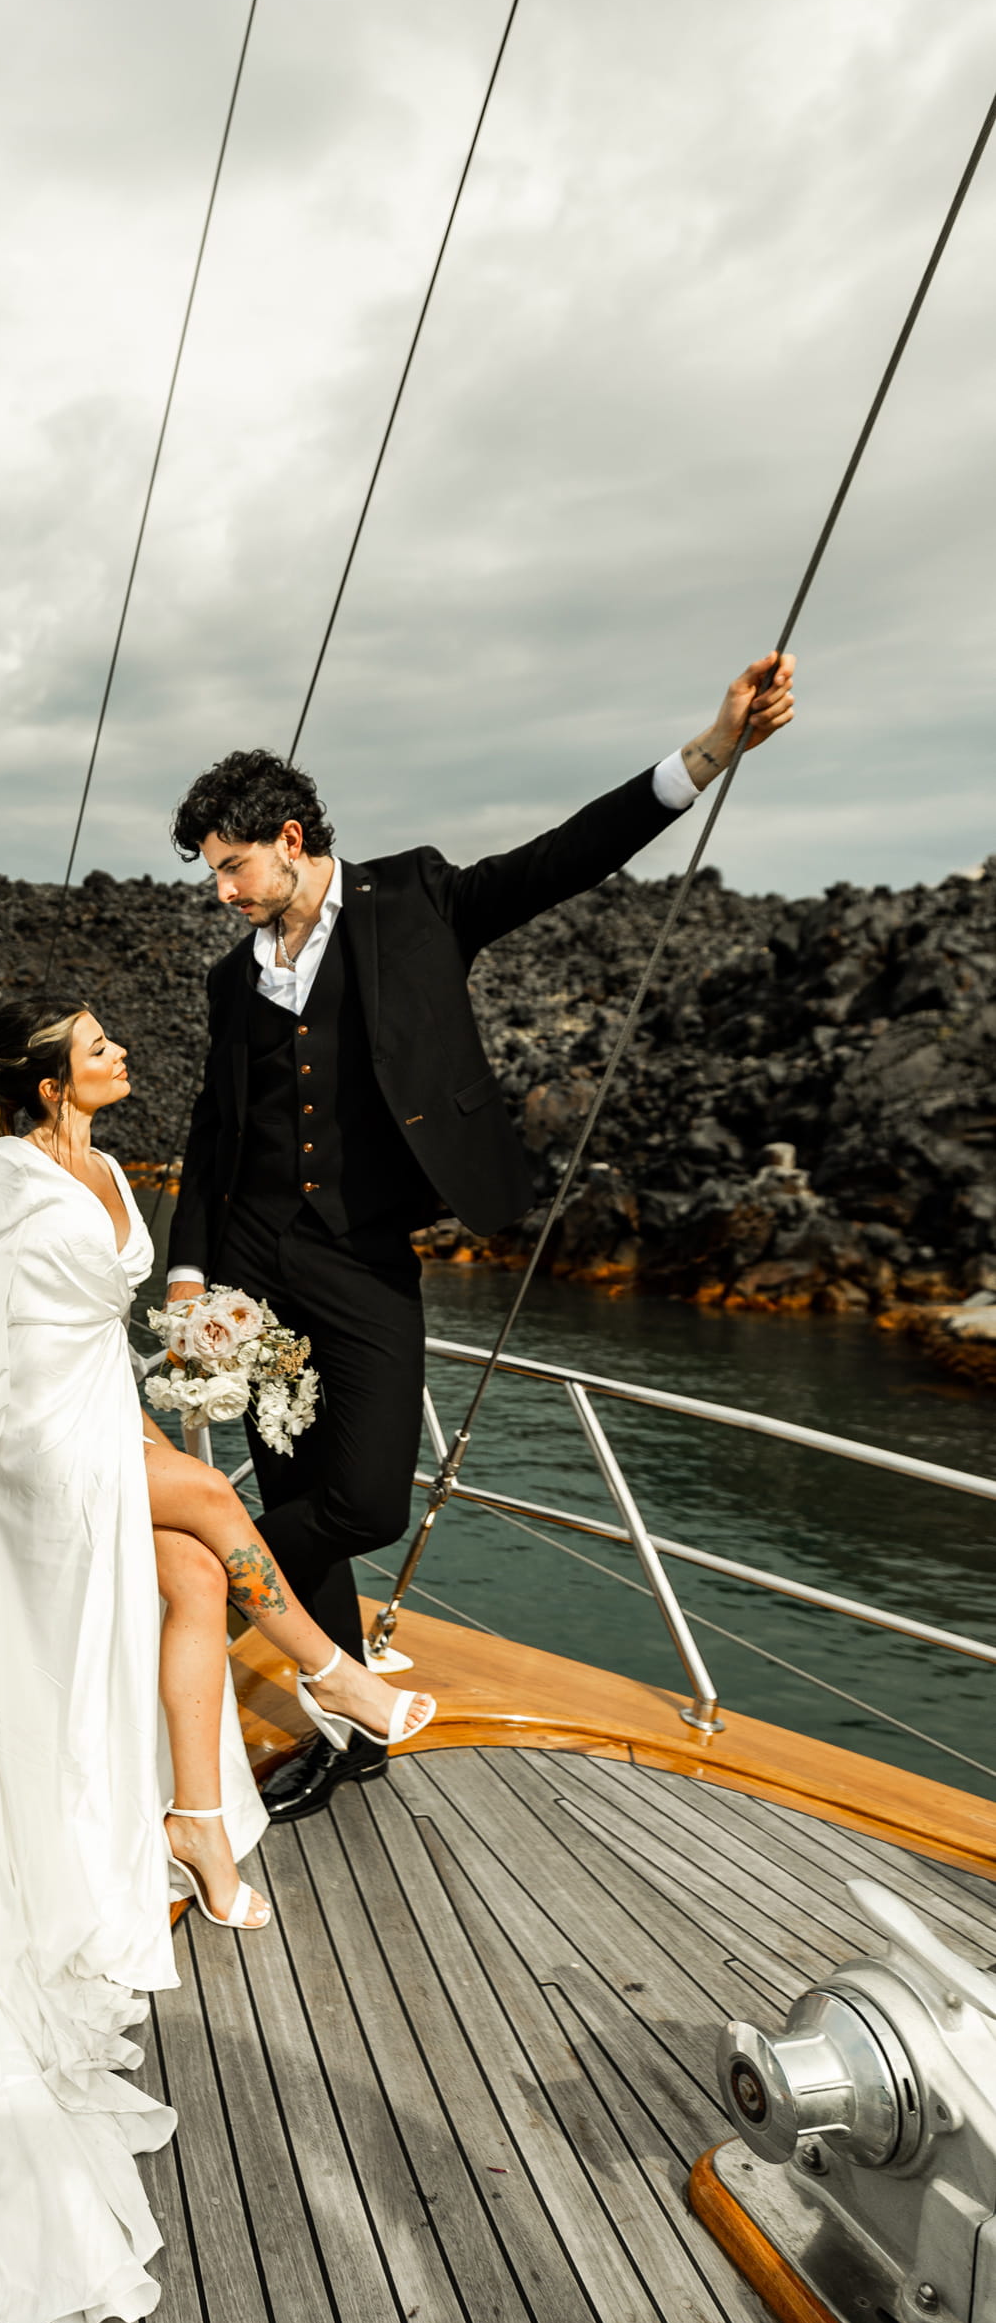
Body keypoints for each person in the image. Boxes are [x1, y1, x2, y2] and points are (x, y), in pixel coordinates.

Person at [0, 999, 429, 2323]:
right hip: (32, 1443)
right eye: (95, 1040)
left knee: (191, 1573)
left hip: (101, 1412)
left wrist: (198, 1354)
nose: (116, 1047)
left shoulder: (112, 1170)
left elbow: (103, 1311)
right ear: (47, 1075)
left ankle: (193, 1820)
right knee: (228, 1520)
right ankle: (327, 1675)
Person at [165, 651, 797, 1822]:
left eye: (234, 866)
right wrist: (196, 1279)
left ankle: (205, 1563)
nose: (224, 891)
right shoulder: (229, 982)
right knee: (308, 1496)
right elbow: (213, 1135)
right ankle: (347, 1725)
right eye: (214, 874)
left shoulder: (416, 900)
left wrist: (708, 752)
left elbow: (568, 855)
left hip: (363, 1257)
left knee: (365, 1504)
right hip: (253, 1275)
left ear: (292, 838)